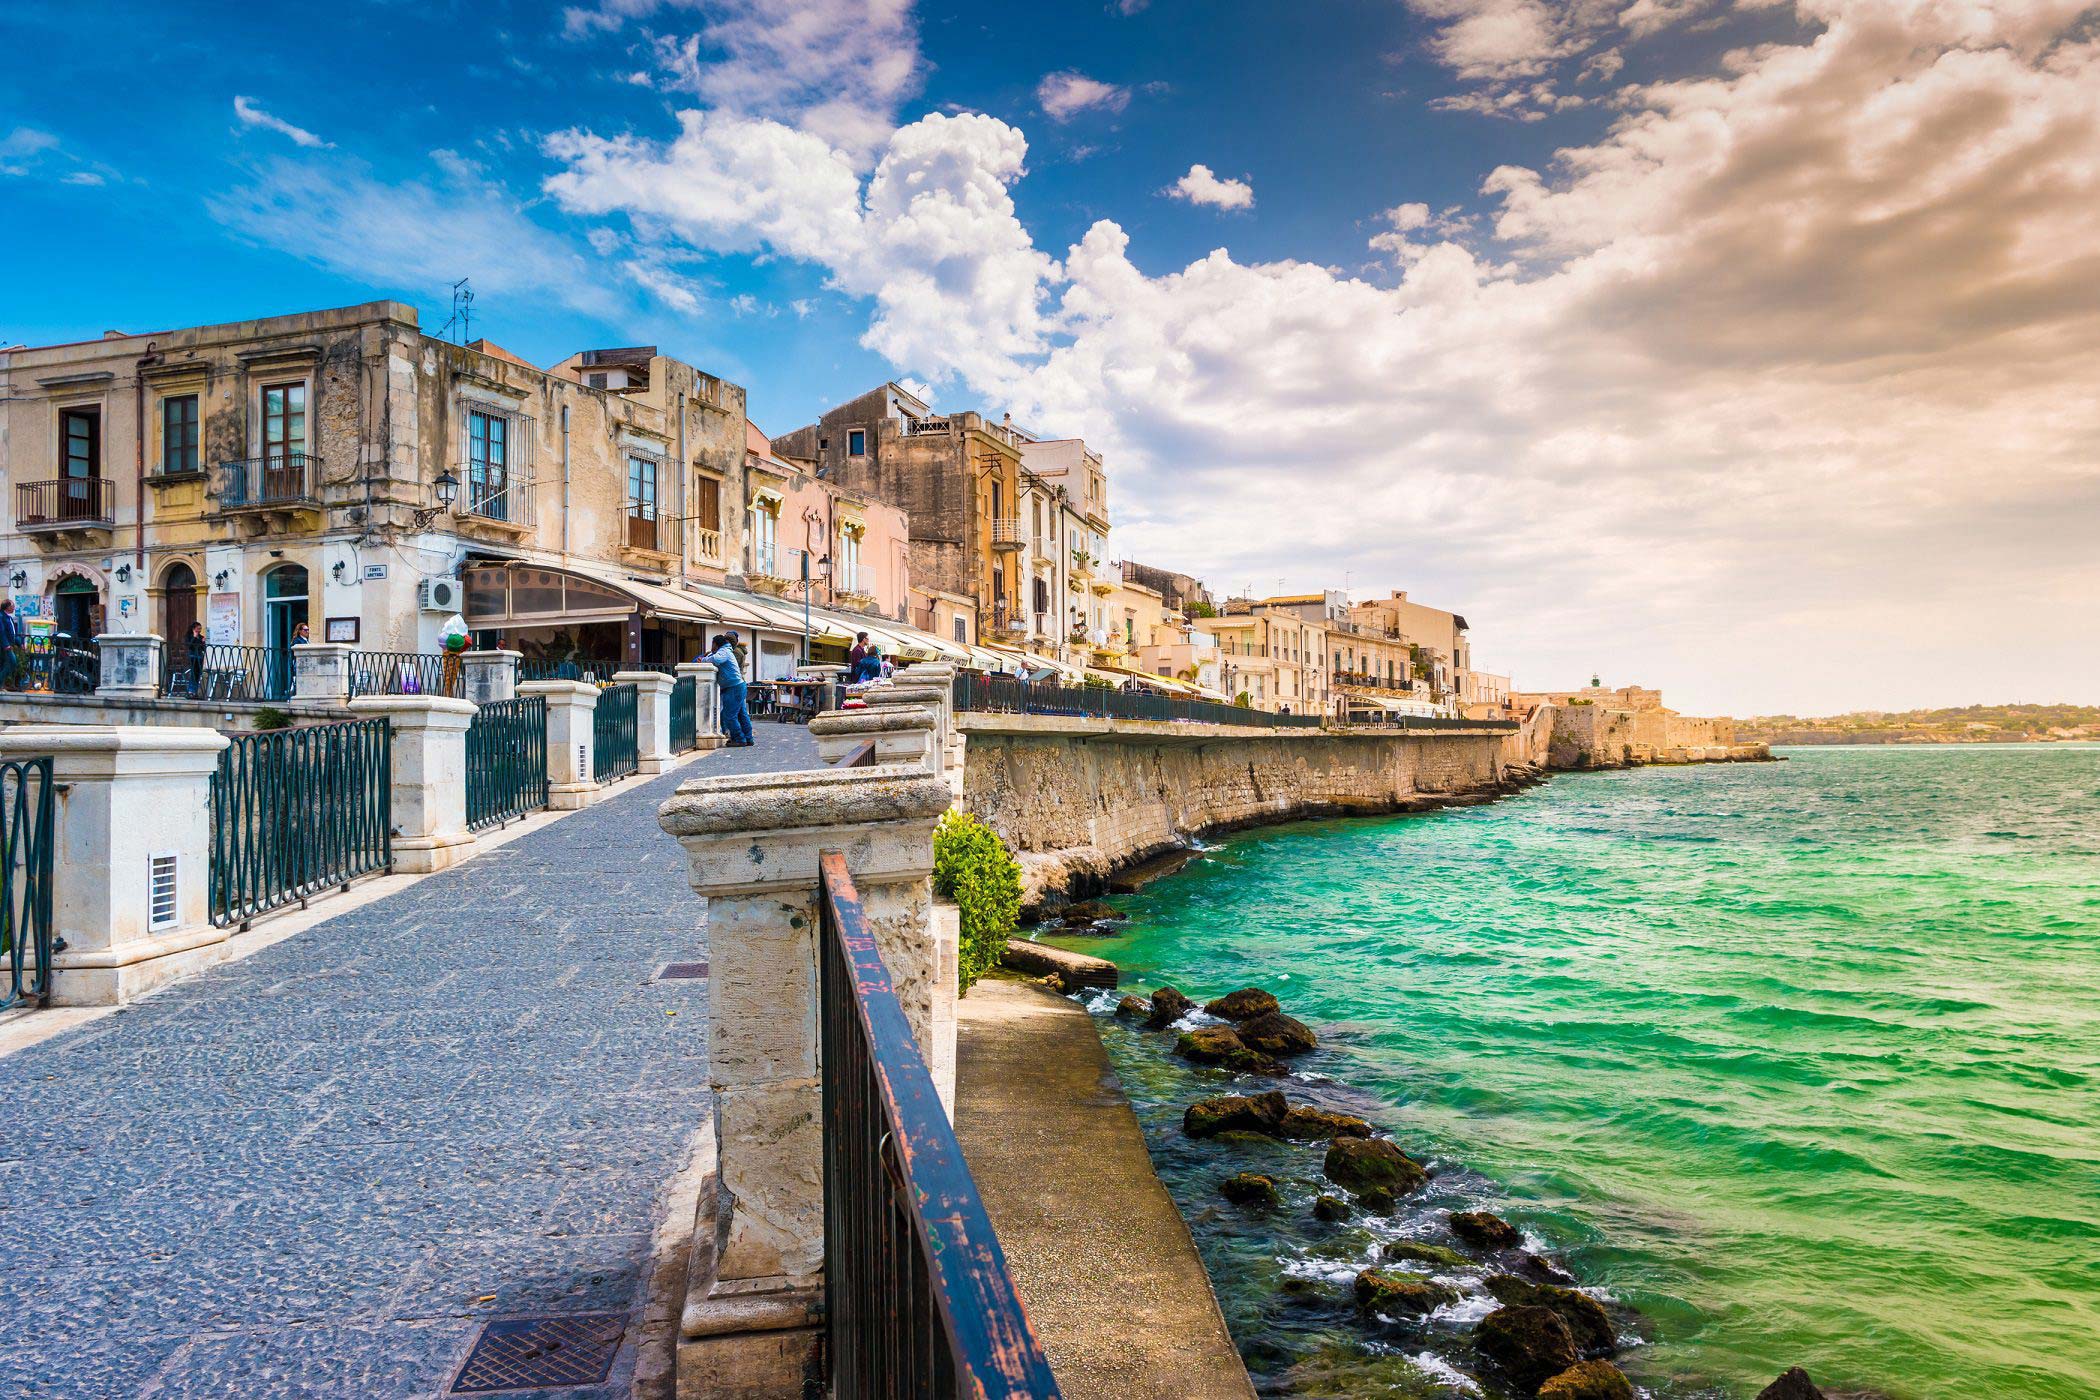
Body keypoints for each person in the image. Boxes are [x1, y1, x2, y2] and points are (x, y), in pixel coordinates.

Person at [705, 632, 754, 746]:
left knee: (729, 716)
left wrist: (704, 660)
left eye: (712, 644)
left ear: (716, 644)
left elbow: (717, 660)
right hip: (738, 685)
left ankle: (739, 739)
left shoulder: (724, 651)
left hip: (733, 687)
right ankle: (748, 738)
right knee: (742, 715)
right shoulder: (729, 650)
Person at [0, 599, 22, 691]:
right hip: (4, 646)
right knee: (12, 662)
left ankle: (1, 686)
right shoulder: (1, 617)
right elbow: (1, 632)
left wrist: (20, 643)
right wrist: (6, 645)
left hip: (9, 645)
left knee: (3, 665)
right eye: (13, 606)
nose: (14, 608)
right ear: (8, 607)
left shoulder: (9, 618)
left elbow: (13, 633)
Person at [182, 621, 207, 696]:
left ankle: (195, 691)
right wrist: (194, 637)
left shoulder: (201, 637)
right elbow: (189, 646)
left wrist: (203, 643)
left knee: (198, 674)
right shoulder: (189, 636)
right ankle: (190, 691)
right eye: (198, 628)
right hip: (192, 657)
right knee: (193, 674)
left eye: (200, 629)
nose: (199, 630)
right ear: (193, 629)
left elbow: (203, 649)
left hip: (199, 657)